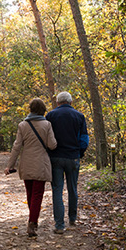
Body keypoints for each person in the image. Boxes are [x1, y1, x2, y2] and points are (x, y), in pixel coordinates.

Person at [4, 98, 57, 237]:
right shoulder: (47, 124)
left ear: (30, 109)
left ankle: (32, 221)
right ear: (43, 109)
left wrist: (9, 166)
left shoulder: (23, 125)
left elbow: (16, 147)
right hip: (41, 163)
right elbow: (52, 145)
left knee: (30, 193)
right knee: (38, 194)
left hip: (26, 163)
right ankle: (32, 223)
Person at [46, 91, 89, 234]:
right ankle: (72, 218)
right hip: (73, 156)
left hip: (56, 157)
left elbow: (47, 138)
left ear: (58, 102)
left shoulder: (50, 116)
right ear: (71, 102)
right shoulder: (79, 116)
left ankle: (59, 225)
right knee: (72, 188)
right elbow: (84, 139)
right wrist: (80, 153)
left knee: (57, 190)